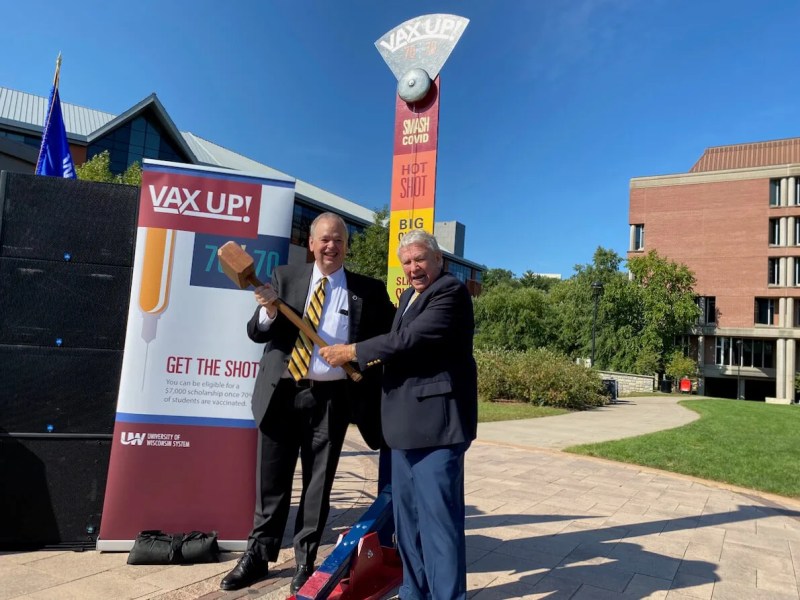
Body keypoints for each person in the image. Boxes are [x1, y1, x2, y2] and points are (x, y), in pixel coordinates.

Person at [220, 212, 394, 593]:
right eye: (325, 239)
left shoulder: (368, 290)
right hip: (281, 393)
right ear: (312, 244)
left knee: (318, 486)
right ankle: (258, 555)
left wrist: (356, 354)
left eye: (340, 240)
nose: (332, 246)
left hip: (330, 399)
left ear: (347, 247)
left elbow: (392, 338)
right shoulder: (284, 279)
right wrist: (268, 310)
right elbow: (256, 332)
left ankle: (306, 560)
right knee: (271, 482)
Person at [320, 229, 477, 600]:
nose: (413, 268)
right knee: (408, 525)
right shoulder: (408, 296)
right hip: (402, 430)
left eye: (420, 259)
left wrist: (352, 351)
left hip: (437, 431)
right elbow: (393, 346)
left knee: (440, 526)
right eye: (406, 262)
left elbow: (408, 341)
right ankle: (413, 593)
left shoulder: (450, 293)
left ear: (439, 260)